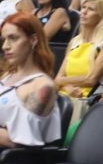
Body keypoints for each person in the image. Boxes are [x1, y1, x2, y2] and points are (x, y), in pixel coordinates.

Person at [0, 13, 60, 149]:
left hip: (13, 160)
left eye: (13, 38)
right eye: (3, 40)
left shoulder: (43, 87)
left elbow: (21, 143)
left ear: (33, 40)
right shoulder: (8, 75)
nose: (5, 46)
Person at [56, 0, 103, 101]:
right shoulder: (75, 41)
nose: (84, 12)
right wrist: (68, 87)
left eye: (91, 9)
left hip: (89, 98)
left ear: (102, 16)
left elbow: (91, 80)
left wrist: (63, 82)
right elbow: (58, 78)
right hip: (65, 93)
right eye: (83, 7)